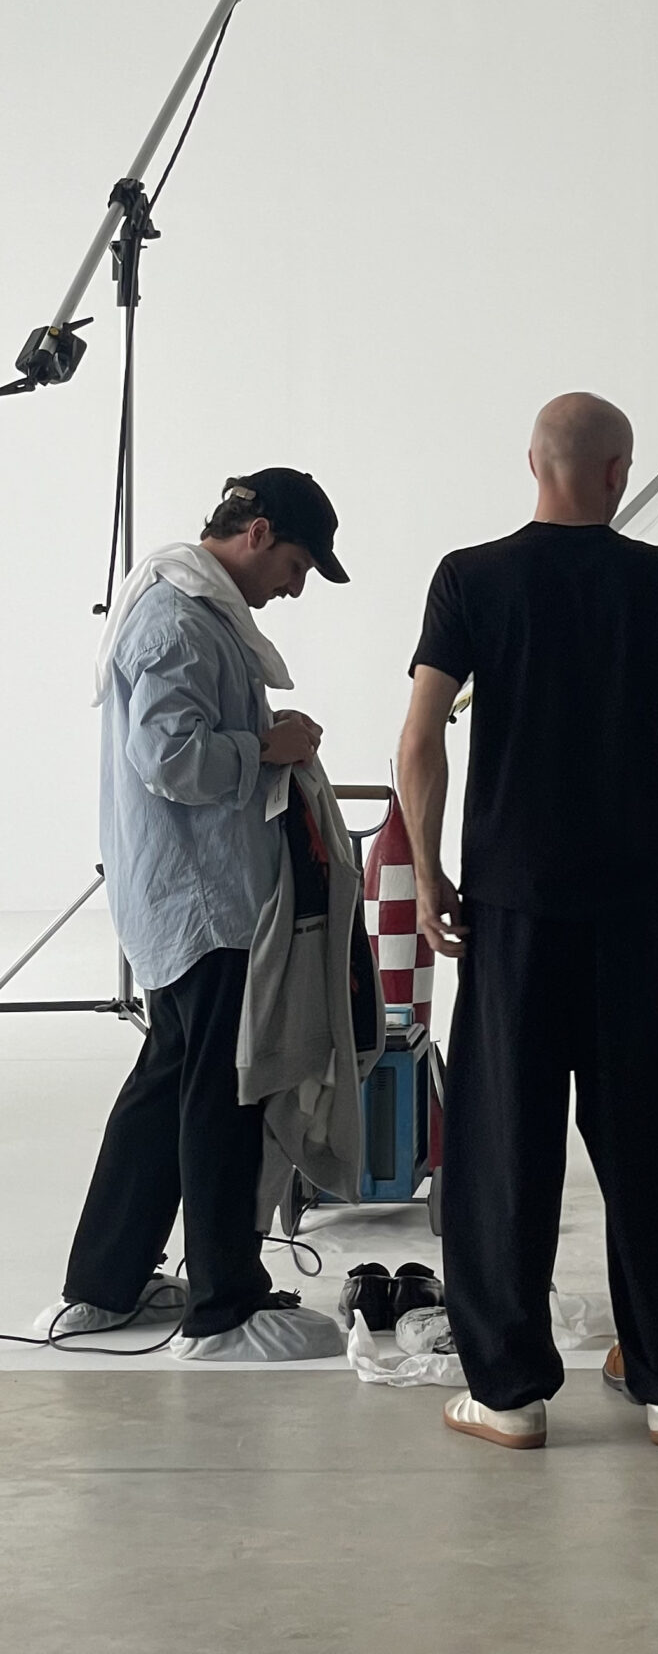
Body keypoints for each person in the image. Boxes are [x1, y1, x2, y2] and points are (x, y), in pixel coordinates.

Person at [397, 392, 658, 1452]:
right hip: (636, 909)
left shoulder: (470, 577)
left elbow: (420, 742)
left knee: (502, 1153)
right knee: (646, 1143)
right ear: (617, 473)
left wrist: (428, 869)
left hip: (513, 910)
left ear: (532, 465)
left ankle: (509, 1395)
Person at [51, 469, 350, 1361]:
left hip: (183, 894)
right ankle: (223, 1311)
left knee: (166, 1086)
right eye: (296, 565)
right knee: (223, 1095)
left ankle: (103, 1286)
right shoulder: (179, 620)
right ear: (257, 534)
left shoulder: (188, 607)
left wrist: (263, 739)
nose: (296, 587)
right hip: (204, 900)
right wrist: (267, 745)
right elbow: (171, 759)